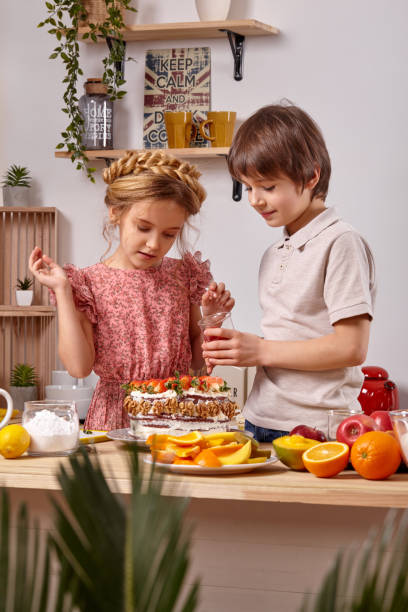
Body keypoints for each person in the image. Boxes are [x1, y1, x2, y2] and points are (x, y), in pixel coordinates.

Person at [202, 103, 376, 443]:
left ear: (311, 176)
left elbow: (351, 347)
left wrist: (260, 350)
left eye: (267, 187)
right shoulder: (275, 252)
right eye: (248, 187)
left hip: (318, 428)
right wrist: (224, 332)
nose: (254, 200)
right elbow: (289, 335)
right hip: (259, 418)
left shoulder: (341, 243)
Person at [29, 150, 234, 430]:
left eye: (169, 234)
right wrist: (63, 292)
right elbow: (79, 368)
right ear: (116, 213)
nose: (154, 244)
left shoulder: (183, 275)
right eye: (143, 227)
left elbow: (197, 361)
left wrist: (212, 319)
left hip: (176, 413)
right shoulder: (88, 284)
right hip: (115, 418)